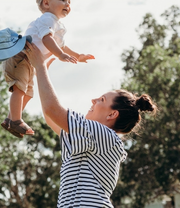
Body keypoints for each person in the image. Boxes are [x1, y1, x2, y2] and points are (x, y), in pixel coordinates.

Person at [23, 42, 158, 208]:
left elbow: (53, 110)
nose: (93, 100)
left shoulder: (104, 134)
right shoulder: (93, 137)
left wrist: (40, 66)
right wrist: (41, 72)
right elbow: (51, 118)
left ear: (112, 114)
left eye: (101, 100)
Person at [1, 0, 95, 138]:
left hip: (29, 61)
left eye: (69, 2)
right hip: (20, 55)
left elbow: (62, 46)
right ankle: (16, 120)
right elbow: (47, 39)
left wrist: (78, 56)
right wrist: (59, 55)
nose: (67, 4)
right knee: (20, 89)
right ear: (46, 3)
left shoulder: (57, 24)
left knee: (28, 93)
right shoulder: (47, 19)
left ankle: (11, 119)